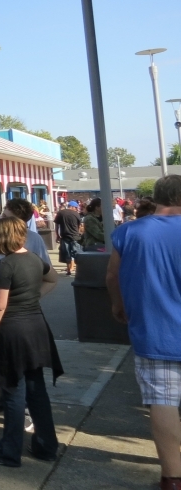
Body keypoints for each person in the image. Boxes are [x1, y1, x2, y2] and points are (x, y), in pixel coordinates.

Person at [107, 175, 181, 490]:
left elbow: (112, 275)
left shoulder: (129, 232)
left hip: (155, 331)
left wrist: (118, 305)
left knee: (162, 400)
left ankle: (173, 477)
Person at [0, 217, 62, 467]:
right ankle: (46, 445)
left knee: (13, 390)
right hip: (36, 328)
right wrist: (31, 297)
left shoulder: (5, 266)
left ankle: (9, 451)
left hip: (13, 331)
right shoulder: (34, 259)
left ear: (1, 237)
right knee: (37, 389)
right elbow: (53, 279)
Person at [0, 199, 53, 424]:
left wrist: (30, 296)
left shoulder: (32, 241)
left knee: (17, 368)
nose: (0, 218)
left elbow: (50, 275)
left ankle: (20, 414)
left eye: (5, 215)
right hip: (0, 306)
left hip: (15, 313)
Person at [53, 202, 82, 276]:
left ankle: (68, 269)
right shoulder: (76, 214)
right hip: (75, 236)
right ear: (72, 207)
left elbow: (57, 225)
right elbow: (79, 225)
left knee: (67, 254)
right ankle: (79, 270)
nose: (76, 209)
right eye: (75, 207)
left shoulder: (60, 213)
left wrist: (57, 235)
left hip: (64, 236)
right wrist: (79, 234)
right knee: (77, 254)